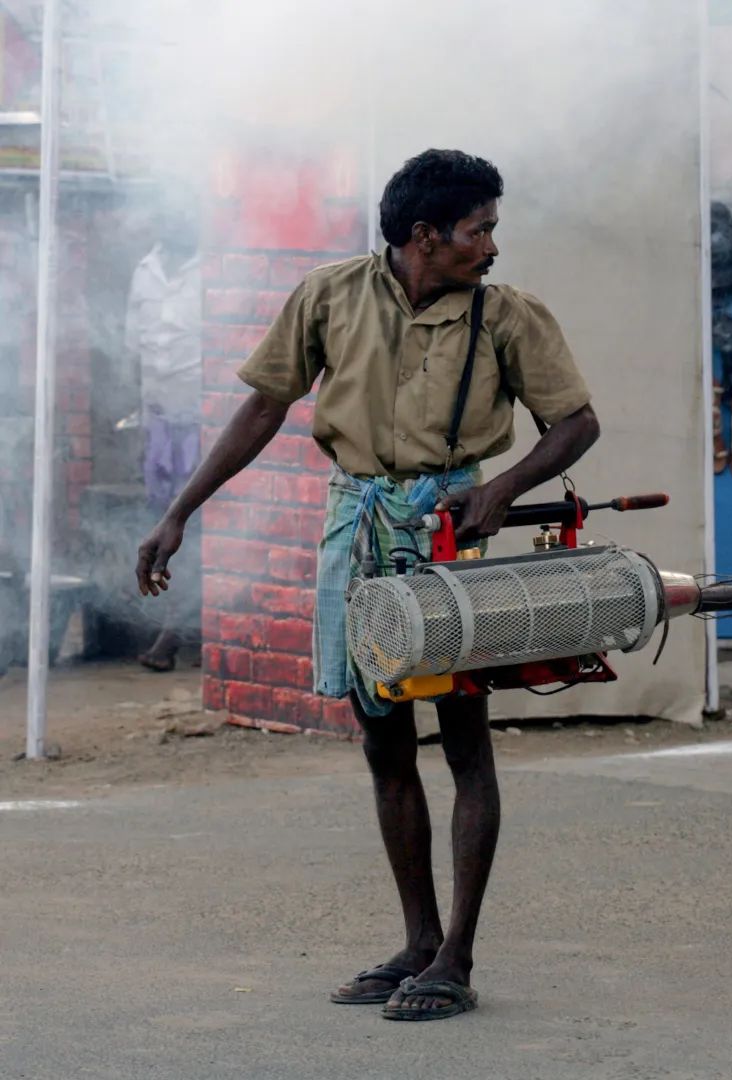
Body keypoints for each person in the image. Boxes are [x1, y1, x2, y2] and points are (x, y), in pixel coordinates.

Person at [135, 149, 600, 1021]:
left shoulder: (507, 315)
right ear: (424, 237)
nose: (492, 246)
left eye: (491, 229)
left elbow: (577, 423)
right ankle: (417, 942)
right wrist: (179, 512)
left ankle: (456, 958)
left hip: (449, 538)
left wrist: (500, 489)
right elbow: (264, 406)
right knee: (384, 744)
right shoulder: (330, 295)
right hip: (354, 532)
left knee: (465, 743)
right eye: (478, 230)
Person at [126, 204, 203, 671]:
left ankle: (176, 632)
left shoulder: (211, 271)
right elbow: (137, 351)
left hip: (202, 424)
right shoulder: (144, 271)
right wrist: (142, 423)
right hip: (159, 421)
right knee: (166, 524)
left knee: (196, 526)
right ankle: (181, 625)